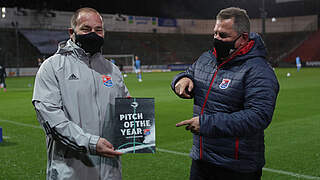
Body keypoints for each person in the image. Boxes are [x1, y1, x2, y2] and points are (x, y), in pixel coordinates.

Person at [171, 7, 279, 180]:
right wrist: (181, 79)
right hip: (202, 159)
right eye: (215, 33)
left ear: (243, 38)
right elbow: (190, 72)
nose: (216, 39)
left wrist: (207, 124)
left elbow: (259, 116)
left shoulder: (259, 70)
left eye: (223, 36)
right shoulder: (207, 58)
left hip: (236, 166)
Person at [32, 8, 130, 180]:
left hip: (111, 172)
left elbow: (125, 107)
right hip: (71, 173)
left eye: (98, 30)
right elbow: (52, 121)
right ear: (72, 32)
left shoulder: (112, 70)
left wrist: (131, 112)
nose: (93, 34)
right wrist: (91, 143)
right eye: (86, 29)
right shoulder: (52, 67)